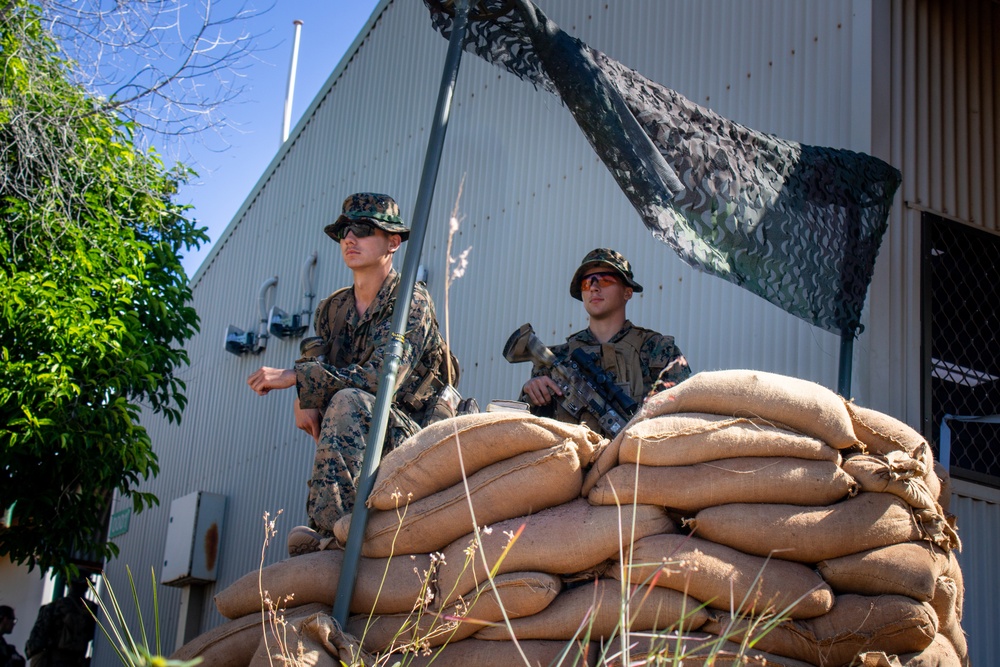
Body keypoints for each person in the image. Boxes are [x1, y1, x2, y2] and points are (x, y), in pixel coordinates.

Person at [247, 193, 457, 555]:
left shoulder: (411, 301)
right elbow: (315, 359)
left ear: (393, 242)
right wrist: (304, 396)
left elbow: (383, 379)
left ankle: (330, 534)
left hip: (413, 436)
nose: (349, 238)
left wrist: (299, 378)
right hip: (362, 433)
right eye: (345, 229)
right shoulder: (332, 308)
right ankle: (329, 530)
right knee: (339, 403)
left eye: (363, 229)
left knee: (347, 401)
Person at [520, 248, 691, 430]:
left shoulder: (659, 350)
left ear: (627, 292)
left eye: (605, 280)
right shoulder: (556, 359)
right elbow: (528, 429)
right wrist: (530, 392)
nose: (594, 287)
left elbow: (683, 415)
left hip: (636, 455)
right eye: (586, 284)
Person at [24, 579, 97, 667]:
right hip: (77, 662)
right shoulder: (92, 610)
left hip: (54, 661)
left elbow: (36, 642)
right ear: (87, 587)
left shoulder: (54, 607)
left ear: (69, 585)